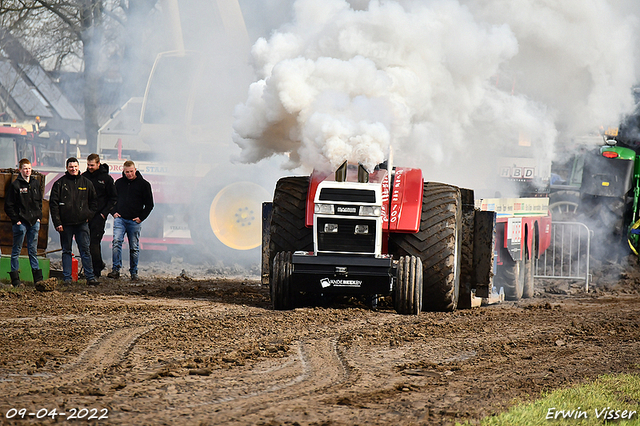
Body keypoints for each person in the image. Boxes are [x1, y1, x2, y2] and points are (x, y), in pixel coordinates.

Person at [49, 157, 100, 285]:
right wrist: (57, 223)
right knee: (66, 251)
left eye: (75, 167)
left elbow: (94, 202)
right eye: (71, 167)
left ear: (78, 167)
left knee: (85, 250)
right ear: (67, 168)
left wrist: (89, 215)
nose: (73, 169)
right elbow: (53, 205)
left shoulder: (86, 183)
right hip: (65, 225)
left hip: (82, 223)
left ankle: (90, 277)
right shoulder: (59, 184)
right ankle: (67, 278)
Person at [107, 160, 154, 281]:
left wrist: (141, 218)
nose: (129, 174)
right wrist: (113, 212)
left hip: (134, 221)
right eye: (127, 172)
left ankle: (134, 272)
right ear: (123, 171)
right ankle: (115, 269)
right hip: (120, 219)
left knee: (134, 247)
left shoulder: (144, 185)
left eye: (131, 171)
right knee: (116, 242)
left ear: (135, 170)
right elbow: (111, 199)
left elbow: (149, 204)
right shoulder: (118, 183)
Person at [4, 159, 43, 287]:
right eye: (25, 168)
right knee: (16, 250)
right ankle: (16, 280)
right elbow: (8, 206)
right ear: (20, 170)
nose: (27, 171)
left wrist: (38, 217)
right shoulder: (15, 185)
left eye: (29, 168)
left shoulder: (35, 184)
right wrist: (17, 221)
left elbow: (39, 202)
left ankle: (38, 280)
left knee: (33, 250)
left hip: (34, 223)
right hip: (21, 224)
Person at [82, 153, 117, 278]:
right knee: (85, 243)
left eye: (92, 165)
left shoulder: (106, 179)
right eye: (88, 165)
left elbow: (113, 198)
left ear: (98, 164)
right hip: (86, 216)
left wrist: (104, 213)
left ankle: (96, 271)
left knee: (94, 242)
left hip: (99, 216)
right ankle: (92, 267)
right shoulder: (84, 177)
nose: (90, 167)